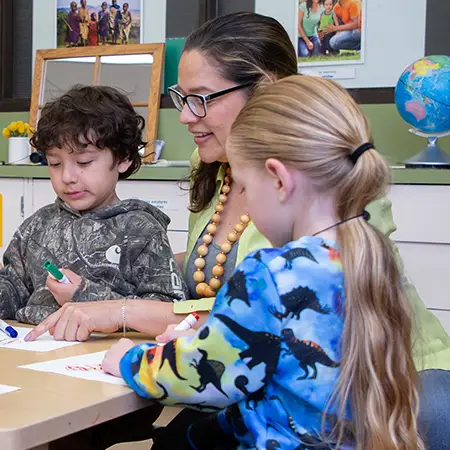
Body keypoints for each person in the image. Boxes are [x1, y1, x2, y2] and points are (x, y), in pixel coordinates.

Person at [27, 12, 450, 450]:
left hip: (394, 389)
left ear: (265, 91)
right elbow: (210, 276)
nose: (187, 116)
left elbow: (221, 351)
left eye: (202, 98)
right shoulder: (217, 169)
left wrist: (129, 337)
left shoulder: (313, 216)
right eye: (181, 97)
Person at [103, 74, 425, 450]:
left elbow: (203, 377)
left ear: (278, 180)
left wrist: (131, 359)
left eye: (245, 186)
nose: (246, 202)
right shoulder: (368, 255)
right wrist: (213, 337)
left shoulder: (270, 273)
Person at [0, 84, 187, 327]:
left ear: (123, 158)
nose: (67, 176)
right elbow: (13, 287)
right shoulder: (36, 226)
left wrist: (85, 294)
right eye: (55, 164)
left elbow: (168, 309)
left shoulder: (140, 230)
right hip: (32, 348)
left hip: (101, 355)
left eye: (84, 162)